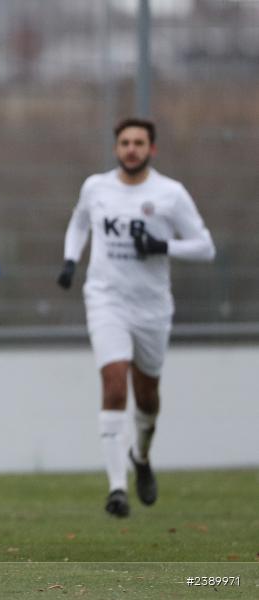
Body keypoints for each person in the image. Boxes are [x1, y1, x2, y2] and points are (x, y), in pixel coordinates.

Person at [57, 118, 215, 517]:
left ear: (152, 149)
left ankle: (140, 457)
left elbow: (205, 247)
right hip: (106, 300)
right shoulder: (96, 187)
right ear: (116, 148)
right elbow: (78, 224)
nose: (131, 149)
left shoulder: (170, 194)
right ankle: (116, 488)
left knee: (147, 397)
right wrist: (71, 261)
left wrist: (163, 245)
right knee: (113, 382)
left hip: (152, 307)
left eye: (139, 143)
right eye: (125, 142)